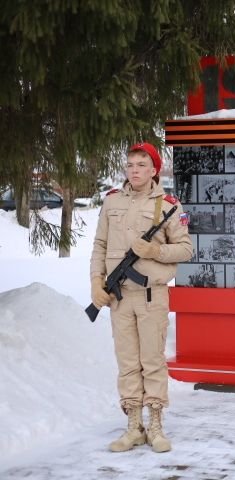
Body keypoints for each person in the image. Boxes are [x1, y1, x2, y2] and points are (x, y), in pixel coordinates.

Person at [90, 142, 193, 453]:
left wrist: (154, 250)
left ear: (153, 170)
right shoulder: (111, 202)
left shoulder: (168, 205)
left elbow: (186, 249)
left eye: (141, 165)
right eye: (130, 164)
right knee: (127, 363)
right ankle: (133, 426)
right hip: (119, 298)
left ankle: (156, 426)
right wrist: (96, 281)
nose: (134, 170)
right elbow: (99, 244)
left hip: (151, 296)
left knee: (152, 361)